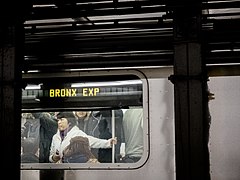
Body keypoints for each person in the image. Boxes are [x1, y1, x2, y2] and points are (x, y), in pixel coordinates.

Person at [49, 111, 117, 163]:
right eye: (58, 120)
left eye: (61, 120)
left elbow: (92, 141)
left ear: (69, 121)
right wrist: (54, 157)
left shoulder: (76, 133)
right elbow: (50, 157)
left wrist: (108, 143)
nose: (59, 122)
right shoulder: (55, 137)